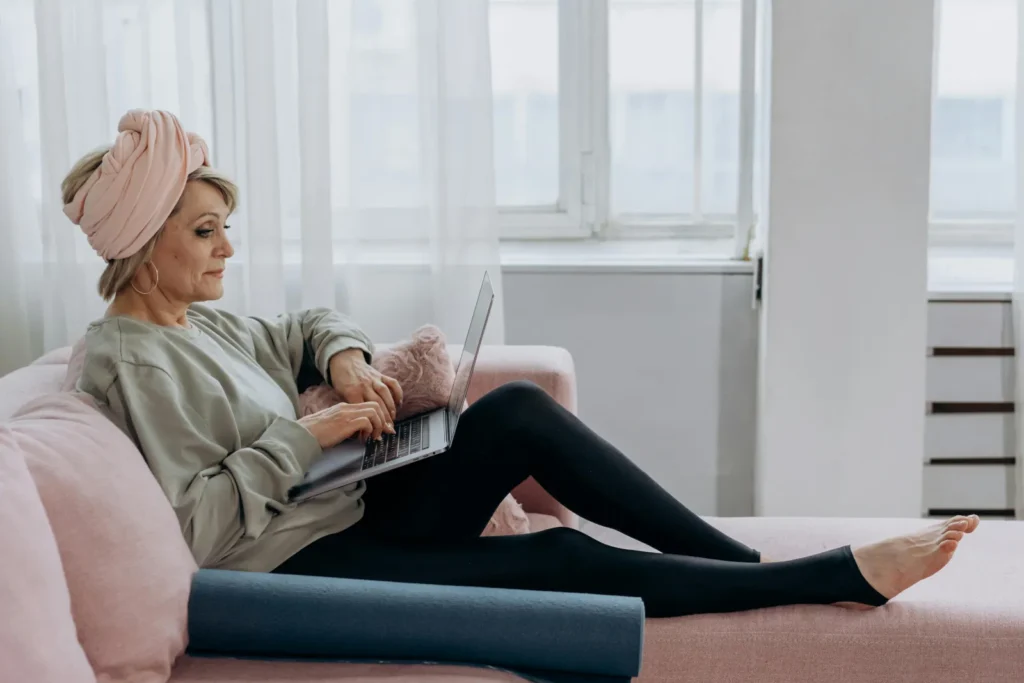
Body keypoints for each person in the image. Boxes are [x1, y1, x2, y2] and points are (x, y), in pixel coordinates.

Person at [69, 110, 977, 619]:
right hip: (306, 562)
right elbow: (198, 531)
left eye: (225, 224)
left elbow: (303, 323)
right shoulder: (132, 360)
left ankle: (734, 562)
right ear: (143, 247)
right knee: (563, 555)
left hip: (350, 507)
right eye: (204, 230)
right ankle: (826, 580)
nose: (229, 246)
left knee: (510, 416)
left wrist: (343, 360)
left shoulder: (200, 322)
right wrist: (306, 436)